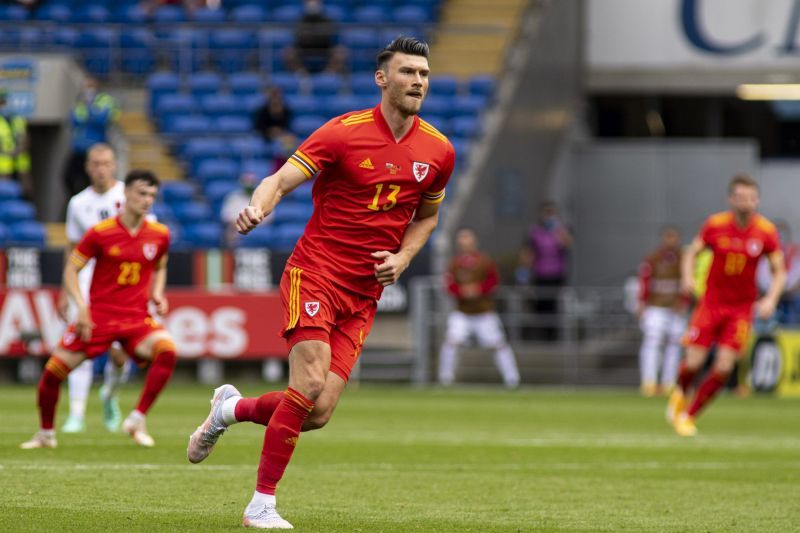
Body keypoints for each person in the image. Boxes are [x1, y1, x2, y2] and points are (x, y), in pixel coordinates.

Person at [186, 36, 454, 529]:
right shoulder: (342, 133)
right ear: (382, 78)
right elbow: (280, 180)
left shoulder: (438, 150)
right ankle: (260, 505)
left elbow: (427, 218)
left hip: (364, 293)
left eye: (423, 74)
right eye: (407, 72)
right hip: (316, 273)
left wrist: (403, 256)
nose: (417, 81)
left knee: (318, 411)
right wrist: (257, 208)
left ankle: (230, 409)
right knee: (307, 383)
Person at [21, 170, 176, 449]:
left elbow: (161, 265)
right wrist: (81, 307)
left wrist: (157, 291)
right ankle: (46, 434)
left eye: (152, 195)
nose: (147, 200)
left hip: (136, 318)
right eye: (142, 193)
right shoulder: (101, 233)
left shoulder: (160, 234)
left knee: (167, 350)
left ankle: (137, 418)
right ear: (125, 194)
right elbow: (71, 268)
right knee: (52, 374)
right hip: (98, 318)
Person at [668, 175, 785, 437]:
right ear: (731, 199)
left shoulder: (765, 231)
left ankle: (688, 415)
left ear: (758, 200)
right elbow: (692, 252)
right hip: (711, 303)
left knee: (723, 366)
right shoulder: (715, 225)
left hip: (741, 309)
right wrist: (687, 277)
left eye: (752, 198)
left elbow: (780, 270)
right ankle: (681, 392)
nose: (747, 203)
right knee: (693, 362)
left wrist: (771, 299)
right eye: (741, 198)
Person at [56, 144, 133, 434]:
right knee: (84, 345)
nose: (101, 168)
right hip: (86, 283)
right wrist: (65, 290)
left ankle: (109, 396)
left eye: (106, 163)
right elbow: (72, 248)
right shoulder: (77, 203)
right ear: (88, 167)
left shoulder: (128, 196)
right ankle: (76, 414)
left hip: (122, 284)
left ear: (114, 166)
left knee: (119, 354)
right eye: (95, 163)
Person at [438, 228, 519, 388]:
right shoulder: (454, 263)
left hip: (484, 312)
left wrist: (478, 290)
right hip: (462, 312)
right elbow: (448, 285)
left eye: (467, 240)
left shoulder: (485, 261)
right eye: (462, 241)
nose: (465, 244)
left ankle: (512, 379)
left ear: (474, 242)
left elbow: (493, 282)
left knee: (498, 344)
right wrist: (462, 292)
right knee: (451, 342)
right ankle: (445, 379)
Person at [636, 226, 688, 396]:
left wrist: (684, 302)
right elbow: (644, 281)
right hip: (656, 307)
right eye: (668, 237)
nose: (671, 241)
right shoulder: (653, 258)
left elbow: (688, 282)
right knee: (652, 342)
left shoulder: (684, 258)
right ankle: (649, 381)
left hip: (675, 309)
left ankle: (669, 382)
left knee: (674, 345)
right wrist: (642, 303)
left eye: (674, 237)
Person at [518, 201, 572, 340]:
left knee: (554, 307)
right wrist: (523, 271)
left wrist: (558, 231)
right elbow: (528, 252)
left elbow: (568, 243)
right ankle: (541, 337)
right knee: (540, 307)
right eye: (547, 213)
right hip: (540, 275)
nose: (549, 216)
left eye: (552, 213)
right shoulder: (535, 232)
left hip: (557, 276)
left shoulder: (561, 230)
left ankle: (554, 337)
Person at [63, 77, 119, 199]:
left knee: (93, 177)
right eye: (86, 87)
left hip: (96, 149)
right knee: (68, 177)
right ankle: (78, 197)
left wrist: (90, 108)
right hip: (79, 150)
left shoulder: (105, 100)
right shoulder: (80, 102)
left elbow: (102, 120)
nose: (87, 90)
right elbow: (74, 120)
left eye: (90, 87)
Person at [283, 0, 347, 75]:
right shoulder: (300, 20)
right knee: (288, 52)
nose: (312, 4)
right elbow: (297, 36)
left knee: (341, 52)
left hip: (325, 48)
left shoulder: (327, 20)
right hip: (303, 48)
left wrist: (314, 35)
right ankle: (301, 74)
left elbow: (331, 36)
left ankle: (329, 73)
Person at [0, 86, 32, 198]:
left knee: (25, 195)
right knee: (5, 196)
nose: (4, 105)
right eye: (1, 102)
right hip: (4, 168)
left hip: (21, 167)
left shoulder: (18, 119)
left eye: (5, 102)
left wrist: (19, 150)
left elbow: (26, 139)